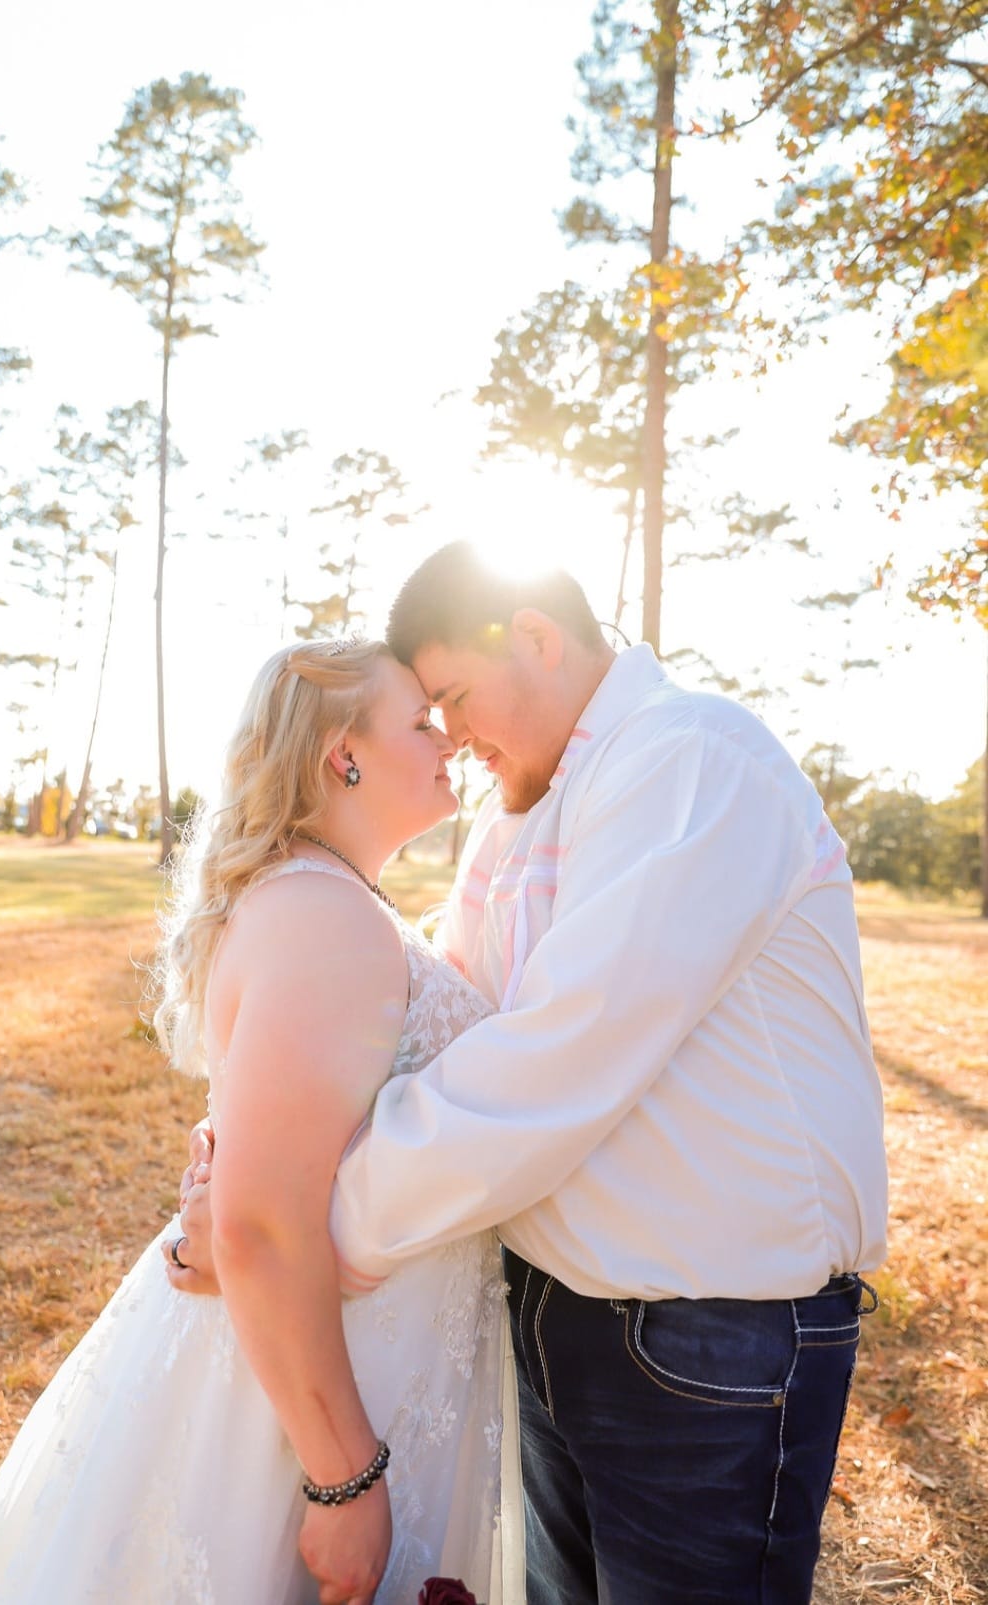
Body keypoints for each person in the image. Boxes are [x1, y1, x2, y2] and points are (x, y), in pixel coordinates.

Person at [177, 543, 888, 1605]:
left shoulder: (690, 755)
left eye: (454, 697)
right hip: (557, 1320)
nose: (452, 739)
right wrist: (254, 1166)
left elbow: (559, 1056)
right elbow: (435, 1021)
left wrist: (305, 1225)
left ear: (541, 640)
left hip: (708, 1339)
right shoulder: (522, 817)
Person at [0, 638, 517, 1605]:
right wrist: (344, 1475)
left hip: (357, 1362)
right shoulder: (320, 913)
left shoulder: (329, 899)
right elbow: (259, 1222)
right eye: (419, 719)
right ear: (342, 752)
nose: (445, 733)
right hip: (299, 1409)